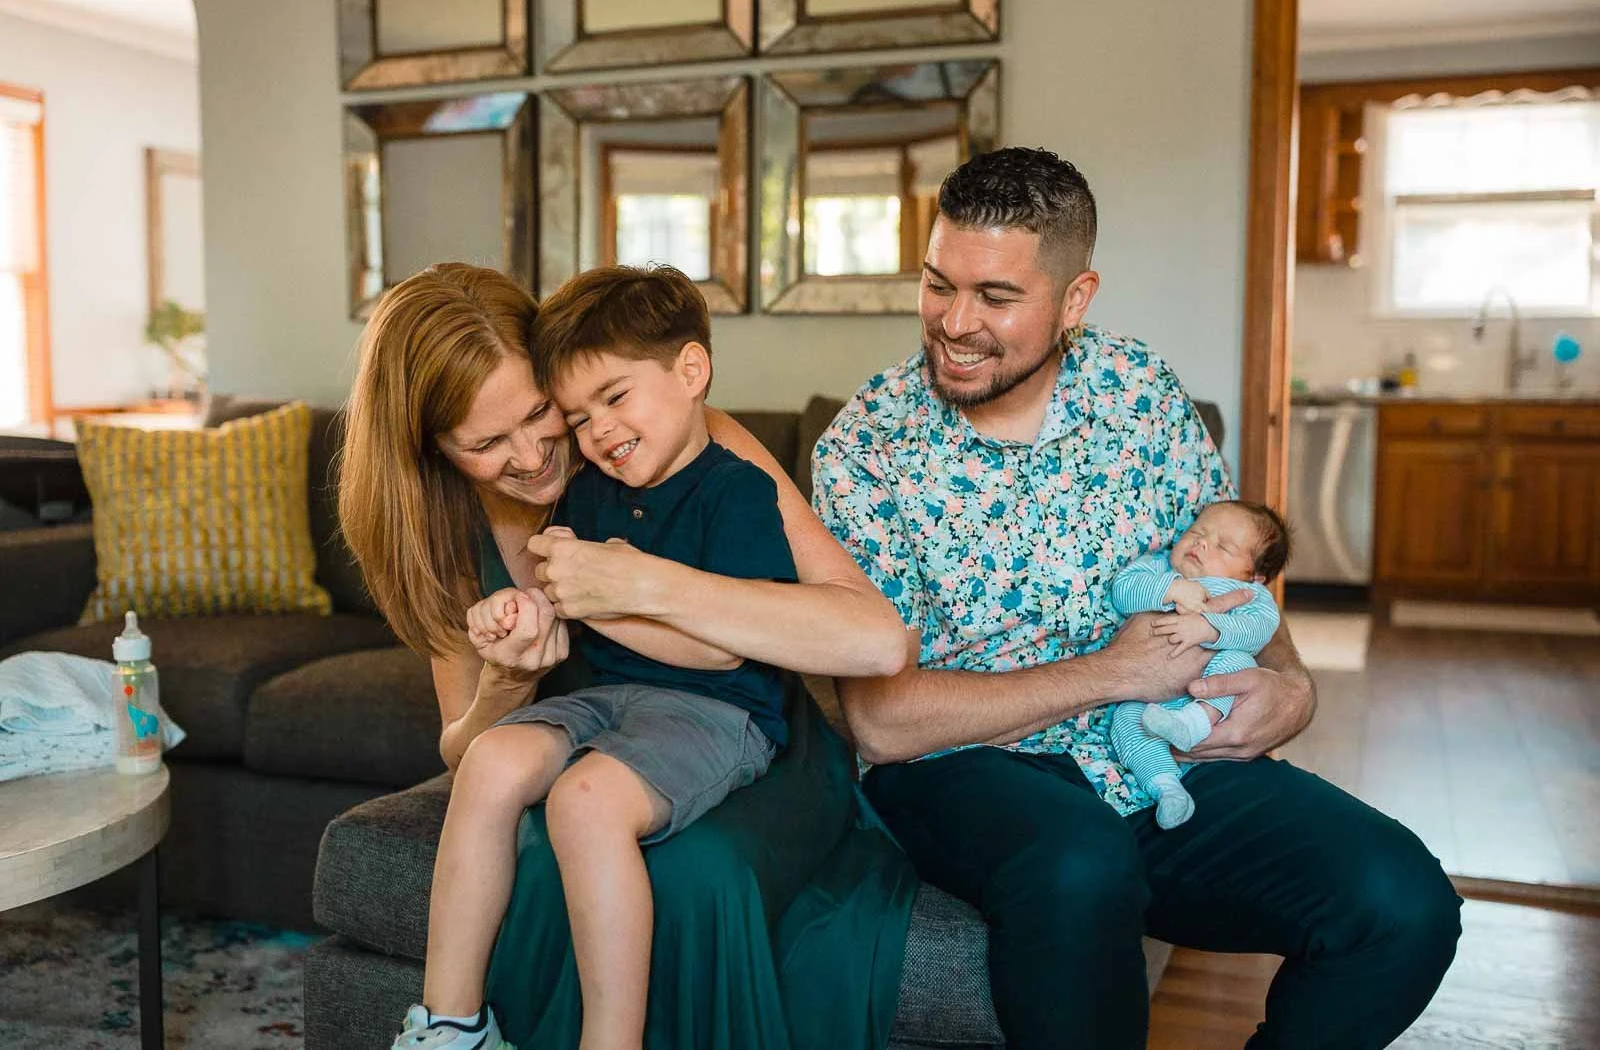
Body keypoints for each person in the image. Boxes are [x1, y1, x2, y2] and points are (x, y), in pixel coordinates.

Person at [813, 147, 1462, 1050]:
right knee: (1083, 864)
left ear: (1075, 299)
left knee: (1405, 901)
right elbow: (882, 723)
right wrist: (1109, 672)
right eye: (937, 284)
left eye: (996, 297)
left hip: (1162, 752)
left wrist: (1292, 686)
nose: (954, 322)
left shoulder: (1142, 392)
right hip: (967, 766)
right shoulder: (868, 446)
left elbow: (1234, 577)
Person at [337, 262, 918, 1050]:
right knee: (551, 848)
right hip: (589, 732)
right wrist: (509, 677)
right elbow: (463, 749)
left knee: (680, 871)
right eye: (485, 442)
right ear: (435, 448)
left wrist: (640, 584)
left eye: (542, 411)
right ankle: (449, 1029)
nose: (537, 451)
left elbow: (872, 636)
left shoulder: (677, 449)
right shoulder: (440, 527)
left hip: (731, 731)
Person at [1106, 500, 1289, 829]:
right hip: (1149, 697)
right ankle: (1167, 789)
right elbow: (1123, 591)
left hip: (1208, 695)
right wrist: (1170, 589)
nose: (1202, 543)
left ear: (1256, 576)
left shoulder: (1249, 595)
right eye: (1197, 532)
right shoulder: (1160, 570)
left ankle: (1194, 723)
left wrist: (1211, 628)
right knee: (1126, 718)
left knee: (1236, 663)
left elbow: (1259, 629)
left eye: (1223, 546)